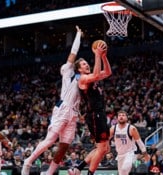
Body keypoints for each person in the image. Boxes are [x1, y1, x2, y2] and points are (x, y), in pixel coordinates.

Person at [21, 25, 83, 175]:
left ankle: (49, 173)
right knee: (50, 140)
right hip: (63, 108)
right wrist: (78, 36)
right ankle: (28, 162)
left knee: (64, 147)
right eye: (82, 63)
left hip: (74, 113)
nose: (85, 64)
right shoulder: (68, 72)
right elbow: (73, 53)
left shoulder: (84, 80)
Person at [68, 39, 112, 175]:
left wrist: (104, 57)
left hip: (100, 113)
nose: (86, 65)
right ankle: (89, 173)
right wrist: (97, 55)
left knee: (104, 148)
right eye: (83, 64)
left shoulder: (92, 76)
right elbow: (98, 74)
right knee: (102, 147)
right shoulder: (82, 79)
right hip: (94, 115)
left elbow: (108, 72)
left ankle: (78, 168)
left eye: (87, 63)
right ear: (79, 69)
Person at [109, 110, 150, 175]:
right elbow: (106, 140)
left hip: (130, 153)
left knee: (125, 169)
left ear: (127, 118)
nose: (121, 117)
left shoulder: (131, 129)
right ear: (117, 118)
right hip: (119, 154)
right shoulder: (113, 129)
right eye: (119, 115)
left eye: (123, 115)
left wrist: (145, 154)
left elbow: (139, 142)